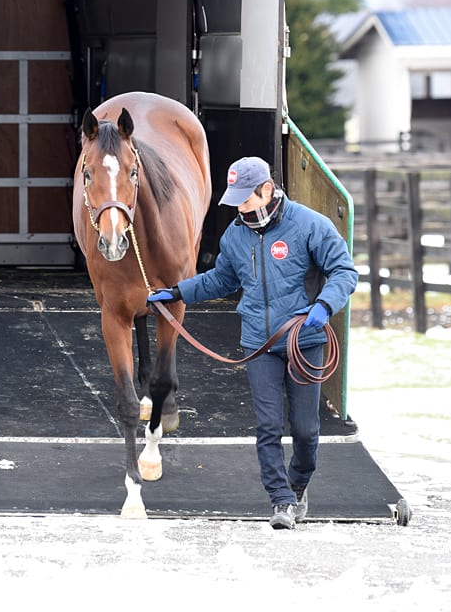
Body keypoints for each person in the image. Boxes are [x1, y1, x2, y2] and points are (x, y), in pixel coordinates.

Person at [147, 156, 358, 530]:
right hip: (259, 344)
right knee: (268, 425)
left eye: (246, 199)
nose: (240, 207)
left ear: (266, 189)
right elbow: (219, 280)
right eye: (236, 200)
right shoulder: (235, 236)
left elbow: (344, 271)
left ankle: (298, 483)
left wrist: (325, 305)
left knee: (307, 430)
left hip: (304, 341)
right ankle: (280, 500)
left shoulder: (310, 225)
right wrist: (177, 292)